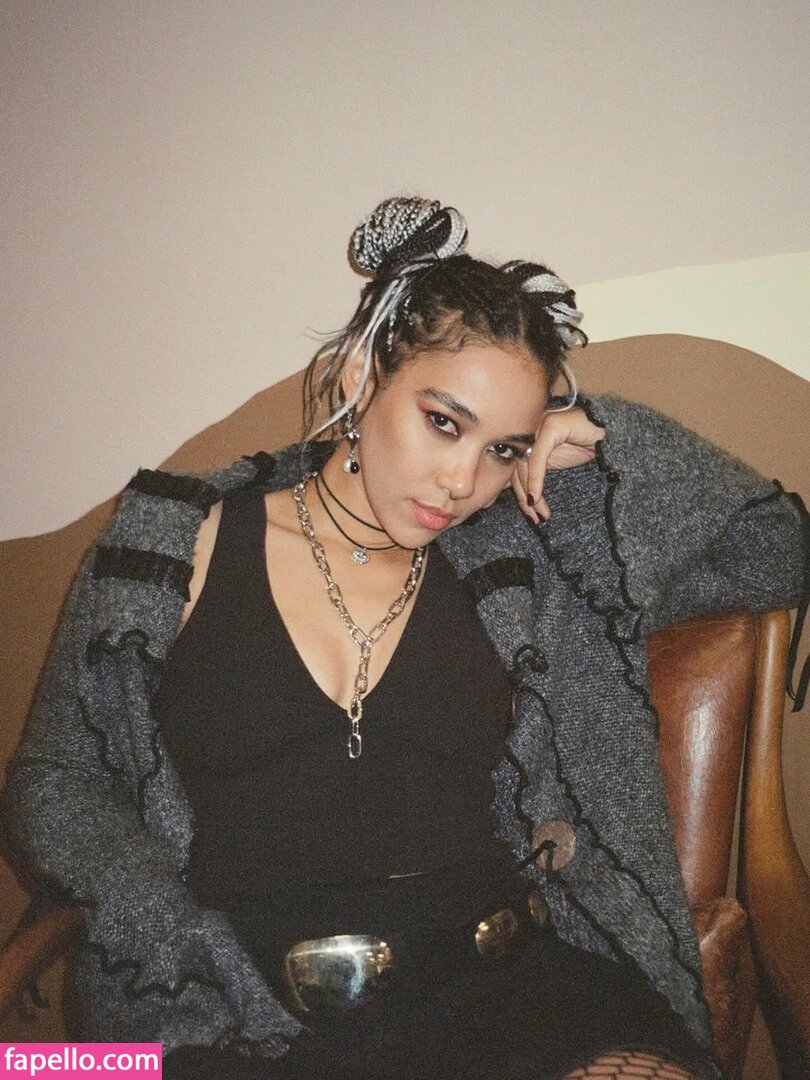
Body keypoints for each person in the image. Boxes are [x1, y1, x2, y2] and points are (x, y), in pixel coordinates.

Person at [3, 197, 807, 1080]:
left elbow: (778, 553)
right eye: (444, 422)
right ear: (361, 371)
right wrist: (158, 916)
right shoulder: (168, 547)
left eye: (504, 450)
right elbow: (54, 777)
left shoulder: (523, 563)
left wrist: (614, 438)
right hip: (241, 1019)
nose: (463, 481)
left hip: (514, 993)